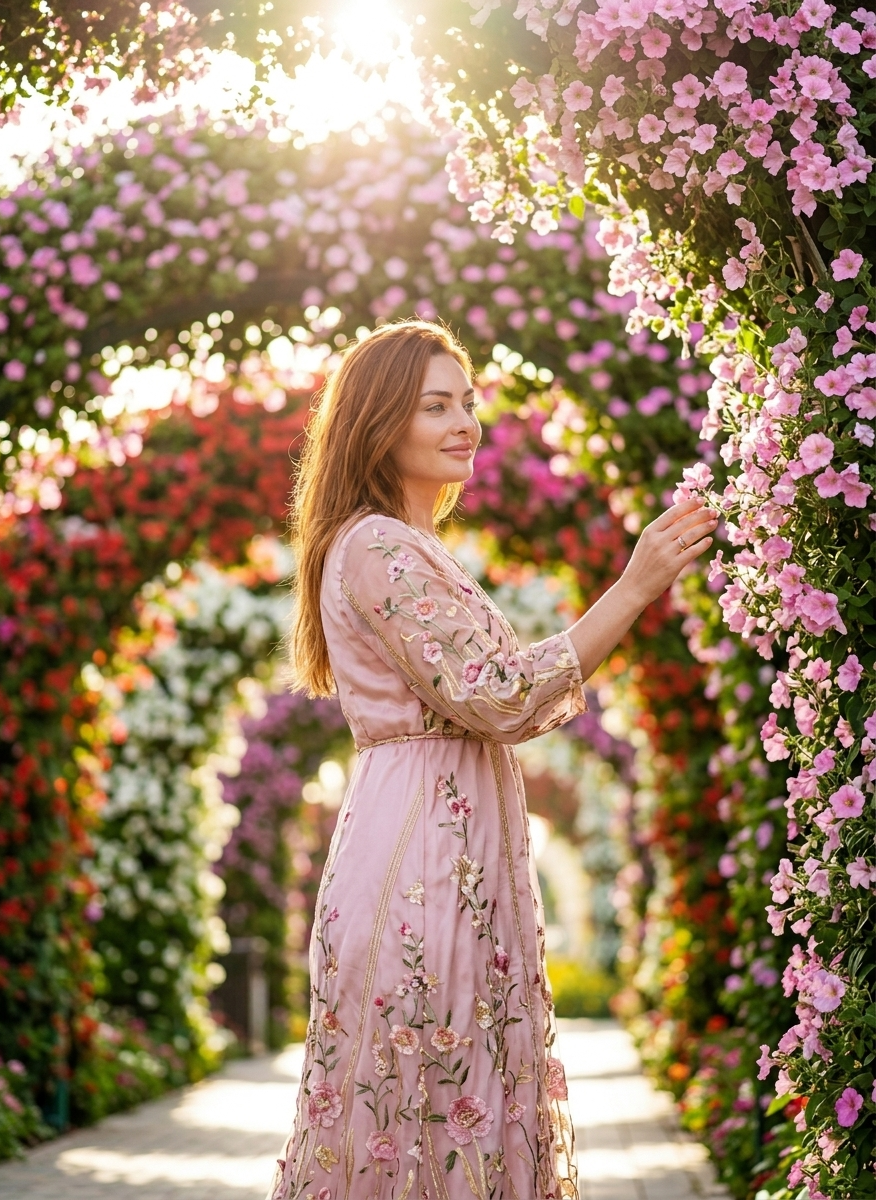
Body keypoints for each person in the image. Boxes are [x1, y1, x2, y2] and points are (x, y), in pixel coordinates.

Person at [269, 319, 716, 1200]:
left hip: (440, 841)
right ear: (380, 423)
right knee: (426, 1104)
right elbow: (500, 694)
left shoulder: (401, 544)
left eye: (467, 402)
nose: (464, 421)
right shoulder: (380, 547)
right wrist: (633, 586)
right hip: (420, 860)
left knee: (449, 1104)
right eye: (435, 406)